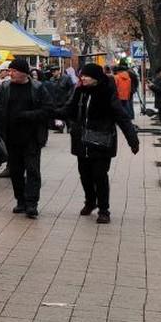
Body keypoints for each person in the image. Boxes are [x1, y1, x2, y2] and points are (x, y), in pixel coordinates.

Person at [61, 62, 141, 224]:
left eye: (86, 75)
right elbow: (68, 109)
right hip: (82, 141)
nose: (82, 78)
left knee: (99, 175)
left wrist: (132, 139)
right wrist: (47, 113)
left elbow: (122, 117)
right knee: (85, 175)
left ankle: (104, 210)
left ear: (96, 78)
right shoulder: (80, 92)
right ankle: (90, 201)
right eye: (81, 75)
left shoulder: (108, 93)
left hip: (102, 141)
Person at [0, 59, 54, 218]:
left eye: (14, 71)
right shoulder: (5, 87)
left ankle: (32, 204)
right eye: (9, 71)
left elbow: (48, 109)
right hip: (10, 138)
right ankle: (21, 201)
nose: (10, 74)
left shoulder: (38, 88)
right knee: (16, 172)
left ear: (24, 72)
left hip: (31, 138)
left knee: (33, 171)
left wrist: (28, 116)